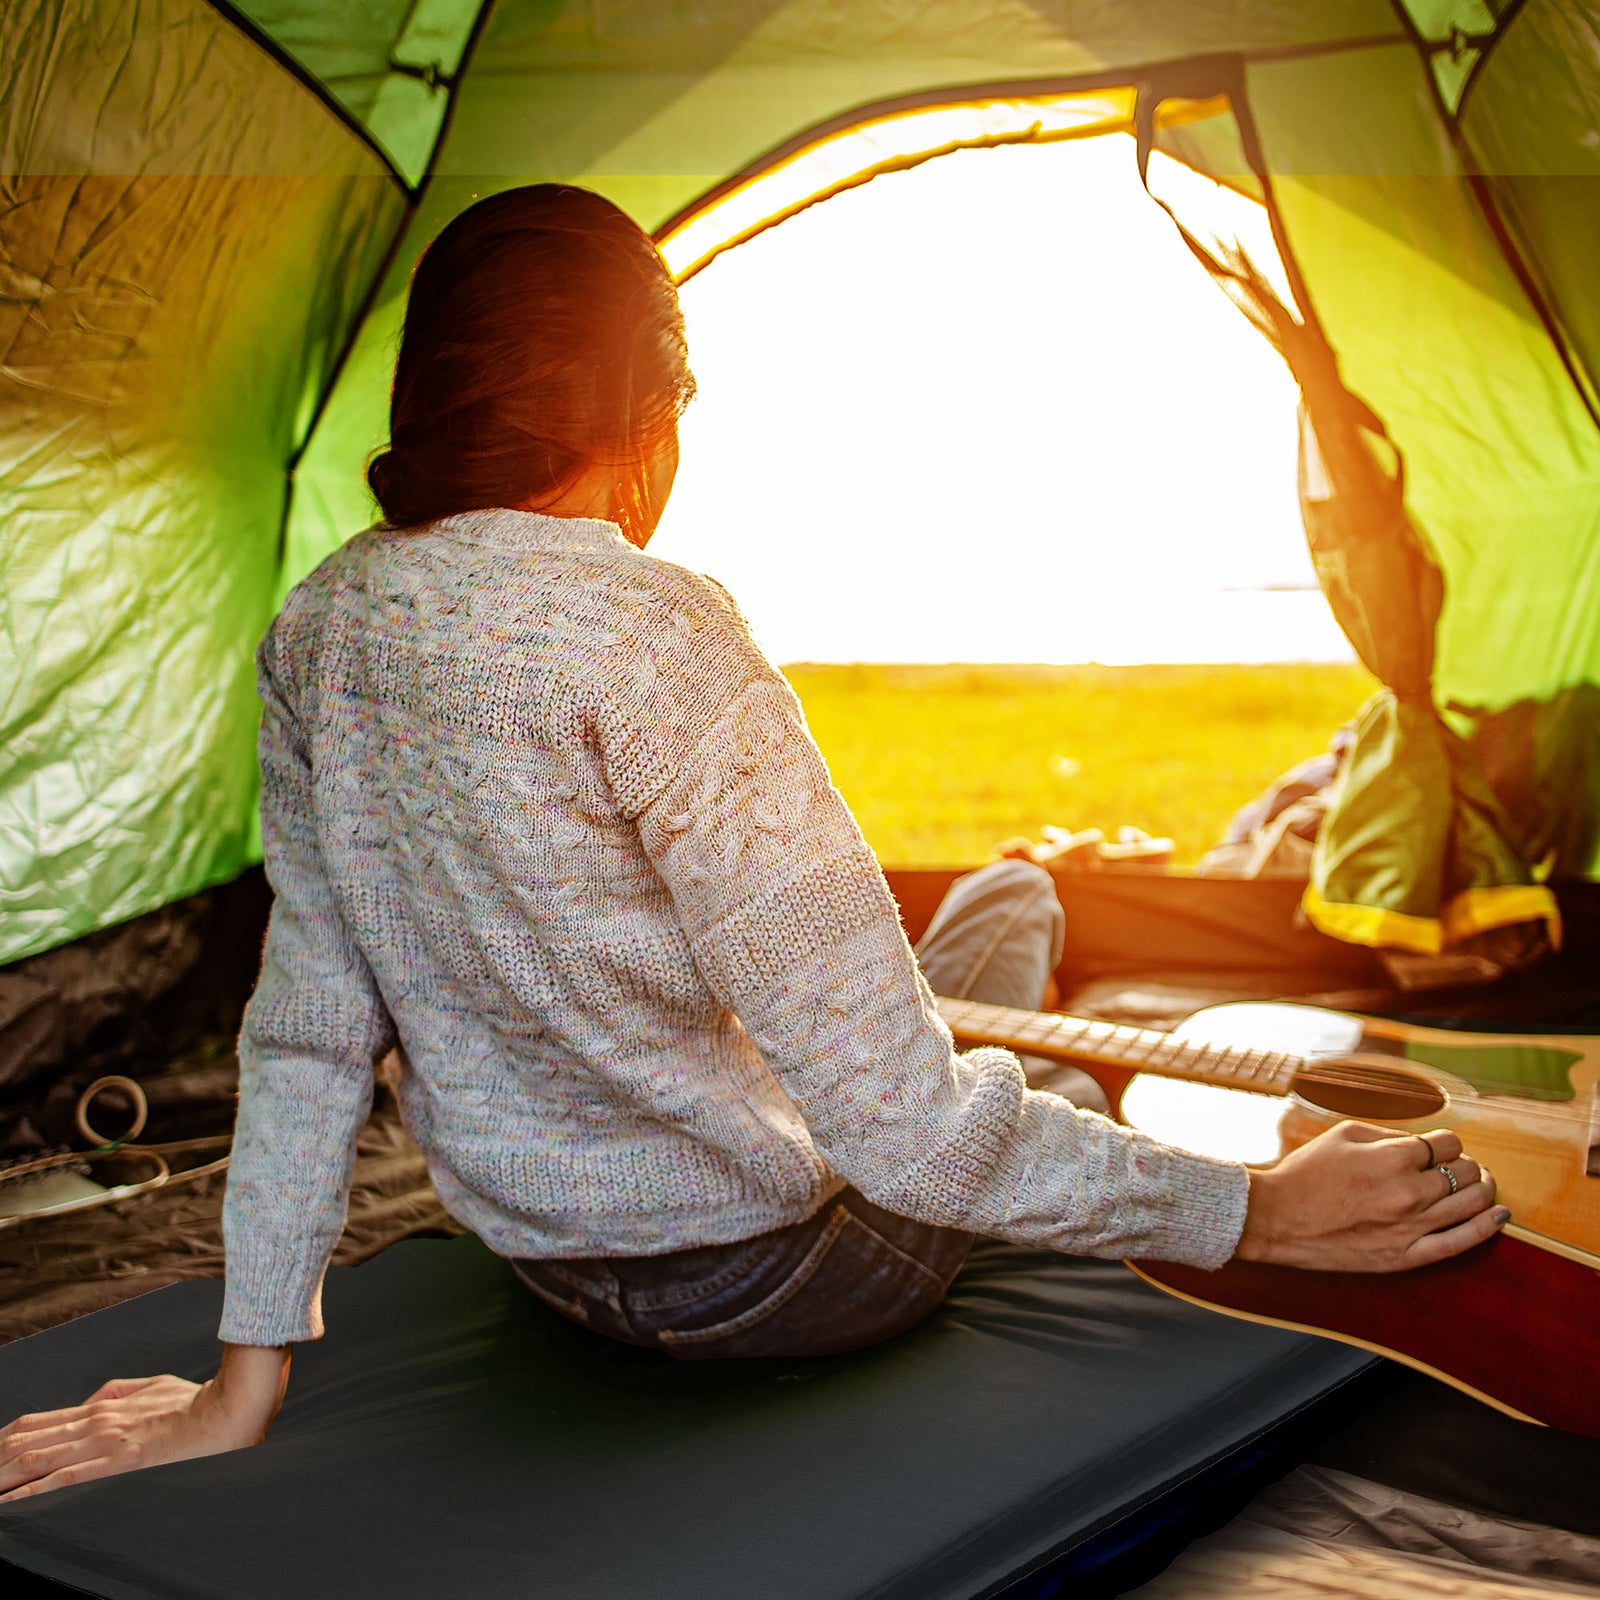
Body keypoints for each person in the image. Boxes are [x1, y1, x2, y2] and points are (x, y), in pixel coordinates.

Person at [0, 185, 1505, 1502]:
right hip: (778, 1279)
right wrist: (1256, 1211)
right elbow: (910, 1138)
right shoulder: (658, 632)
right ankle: (1041, 1026)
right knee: (1020, 1038)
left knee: (1000, 904)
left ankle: (1014, 971)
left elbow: (309, 1030)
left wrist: (239, 1388)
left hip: (550, 1267)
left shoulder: (322, 624)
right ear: (650, 421)